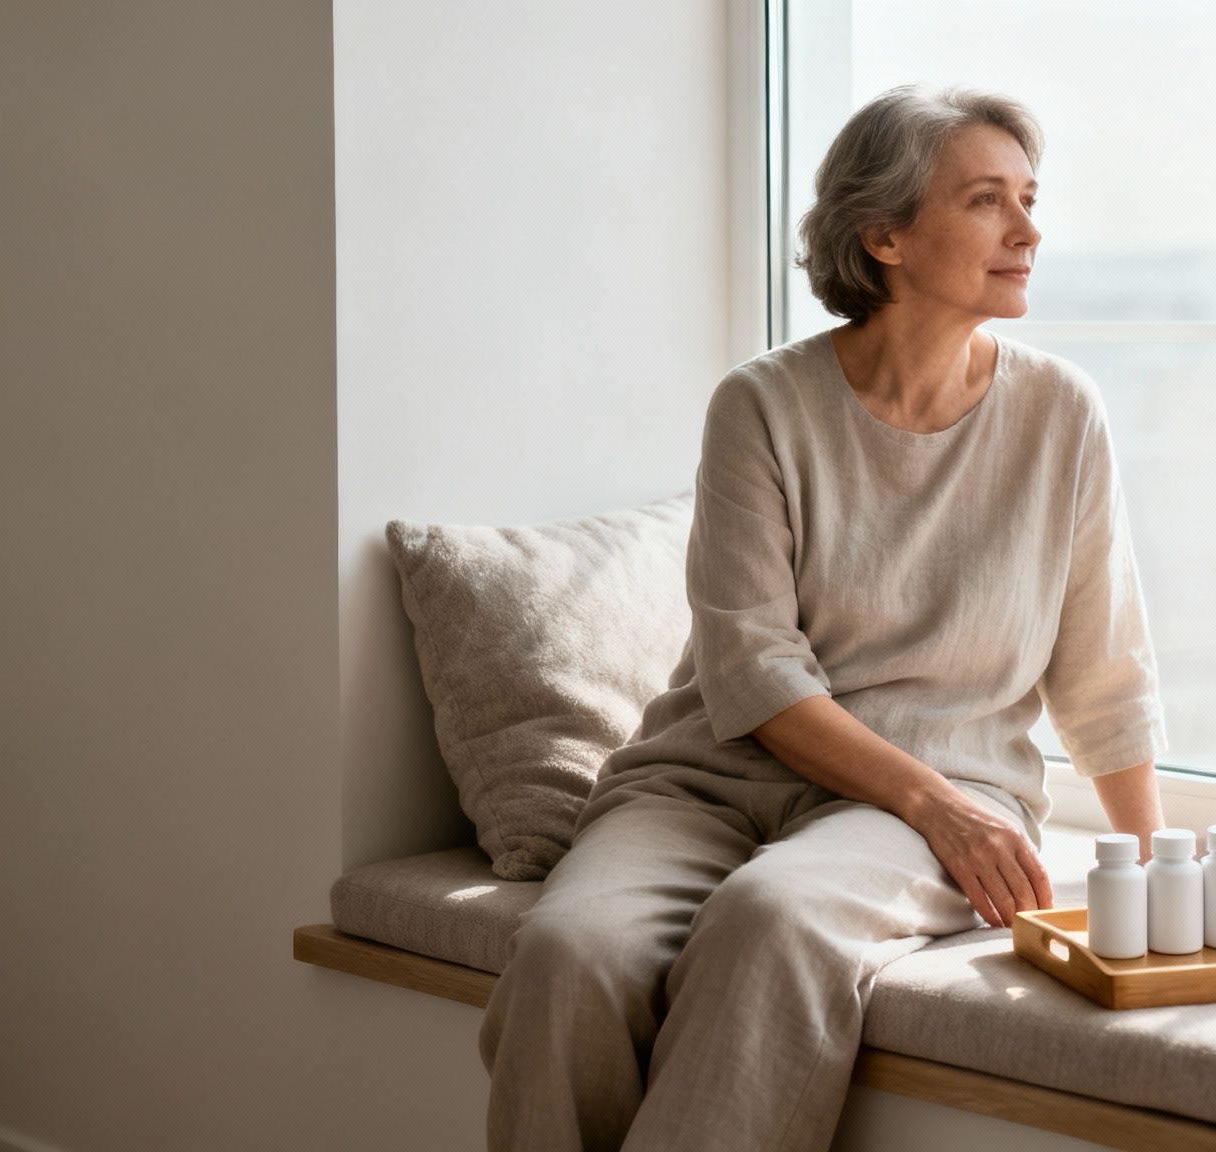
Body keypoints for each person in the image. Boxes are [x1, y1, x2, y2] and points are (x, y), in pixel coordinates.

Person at [477, 82, 1169, 1152]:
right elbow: (751, 669)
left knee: (772, 920)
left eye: (1029, 198)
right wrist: (938, 806)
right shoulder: (760, 405)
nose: (1029, 231)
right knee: (570, 951)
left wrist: (1152, 877)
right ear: (883, 233)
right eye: (987, 201)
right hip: (714, 779)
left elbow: (1101, 670)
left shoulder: (1059, 413)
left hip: (924, 800)